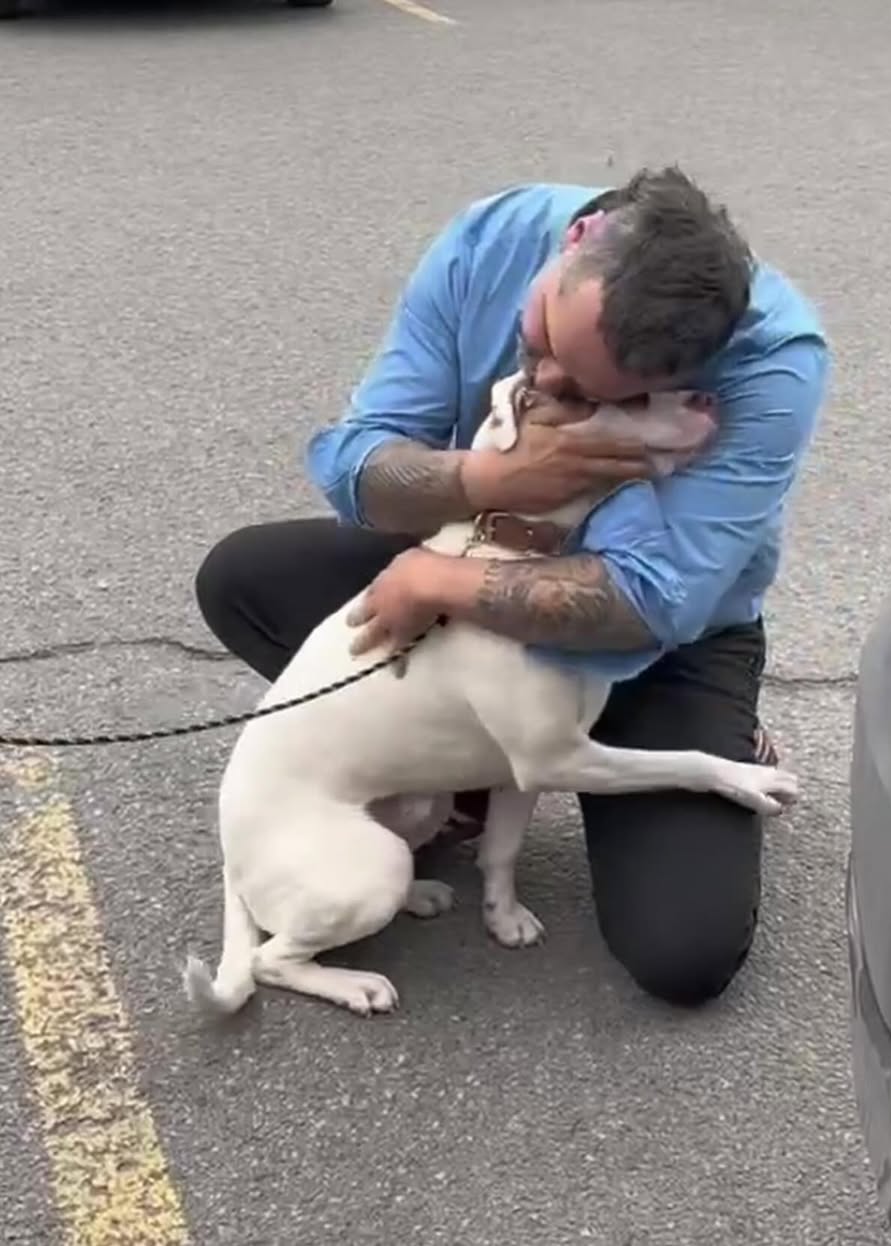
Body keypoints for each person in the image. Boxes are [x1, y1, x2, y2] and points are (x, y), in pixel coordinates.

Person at [195, 166, 829, 1008]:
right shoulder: (492, 240)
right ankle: (450, 754)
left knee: (686, 954)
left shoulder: (774, 364)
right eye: (540, 343)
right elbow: (356, 466)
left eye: (594, 393)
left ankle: (695, 734)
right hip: (487, 556)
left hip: (663, 641)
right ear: (575, 245)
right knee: (245, 578)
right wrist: (493, 480)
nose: (542, 376)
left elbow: (652, 602)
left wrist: (442, 580)